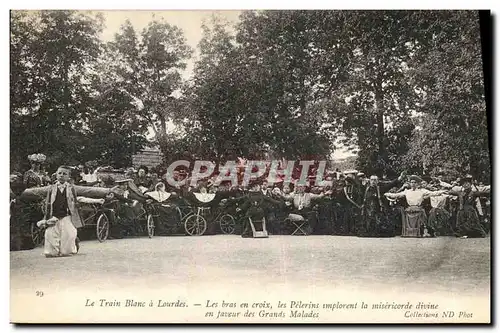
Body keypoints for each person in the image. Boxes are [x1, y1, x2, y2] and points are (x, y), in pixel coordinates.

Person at [19, 165, 119, 257]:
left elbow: (88, 190)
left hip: (67, 216)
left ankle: (68, 250)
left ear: (68, 177)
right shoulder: (50, 188)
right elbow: (35, 191)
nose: (61, 175)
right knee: (51, 235)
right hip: (53, 216)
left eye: (64, 174)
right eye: (60, 173)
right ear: (56, 175)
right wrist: (19, 192)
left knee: (69, 234)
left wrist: (107, 191)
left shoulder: (72, 188)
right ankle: (52, 251)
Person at [358, 171, 405, 238]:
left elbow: (390, 185)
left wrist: (399, 178)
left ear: (377, 181)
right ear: (369, 181)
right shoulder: (365, 189)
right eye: (372, 180)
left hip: (377, 211)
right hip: (367, 212)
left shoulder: (380, 189)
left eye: (375, 180)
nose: (373, 181)